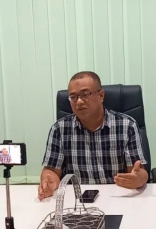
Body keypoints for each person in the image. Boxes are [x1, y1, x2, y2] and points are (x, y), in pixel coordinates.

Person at [38, 71, 148, 199]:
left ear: (101, 96)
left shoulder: (127, 126)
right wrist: (49, 182)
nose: (78, 102)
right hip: (76, 201)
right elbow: (51, 171)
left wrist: (138, 179)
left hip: (117, 197)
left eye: (85, 95)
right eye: (73, 97)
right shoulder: (59, 129)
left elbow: (138, 172)